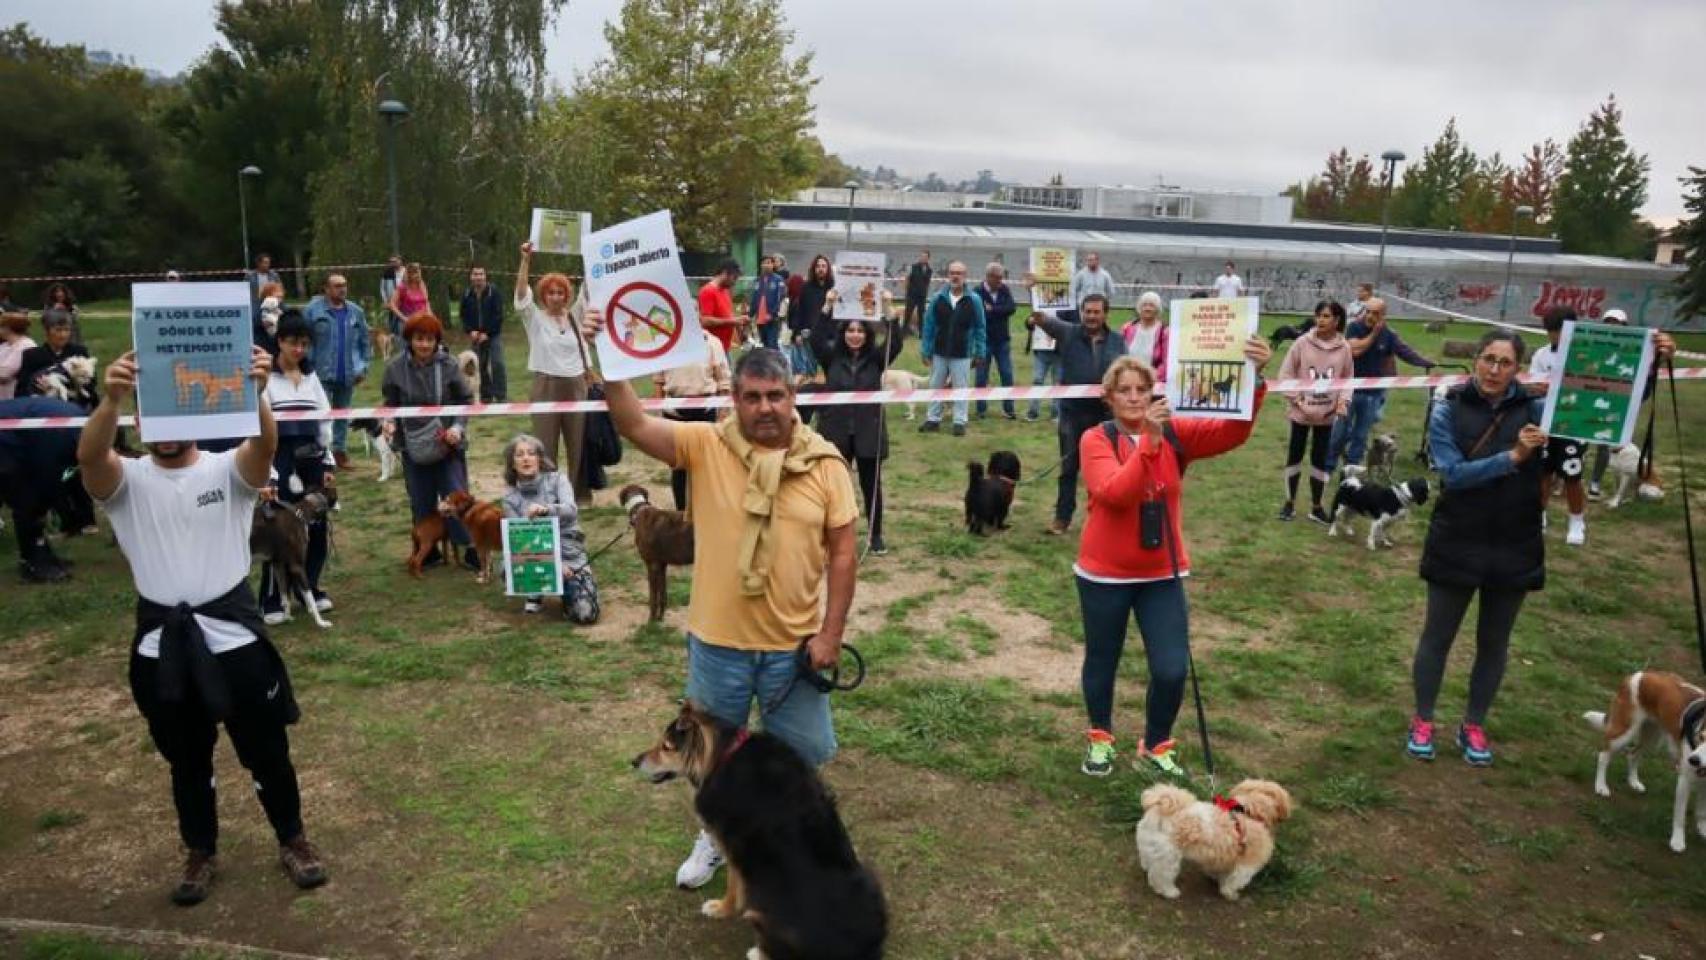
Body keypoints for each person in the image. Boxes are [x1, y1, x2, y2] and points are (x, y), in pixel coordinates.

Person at [585, 319, 857, 890]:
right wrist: (607, 353)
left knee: (802, 755)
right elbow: (631, 421)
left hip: (795, 647)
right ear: (733, 400)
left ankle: (792, 841)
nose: (765, 408)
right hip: (718, 645)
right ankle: (715, 837)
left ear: (793, 397)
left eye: (775, 396)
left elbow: (842, 555)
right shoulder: (706, 445)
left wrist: (830, 634)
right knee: (709, 758)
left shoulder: (827, 464)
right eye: (752, 397)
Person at [76, 344, 329, 906]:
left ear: (195, 420)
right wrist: (111, 398)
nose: (165, 432)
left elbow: (264, 446)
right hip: (162, 646)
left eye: (176, 418)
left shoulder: (226, 469)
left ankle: (294, 839)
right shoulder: (127, 480)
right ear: (140, 424)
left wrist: (259, 393)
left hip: (234, 639)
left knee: (266, 749)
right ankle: (200, 850)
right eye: (151, 417)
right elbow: (90, 457)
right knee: (187, 758)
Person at [1075, 345, 1271, 777]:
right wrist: (1149, 441)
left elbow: (1232, 433)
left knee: (1171, 667)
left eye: (1142, 389)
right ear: (1109, 397)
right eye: (1123, 390)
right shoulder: (1096, 439)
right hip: (1104, 573)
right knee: (1102, 659)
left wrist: (1252, 379)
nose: (1133, 397)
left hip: (1162, 572)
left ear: (1153, 393)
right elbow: (1114, 493)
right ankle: (1100, 738)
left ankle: (1157, 743)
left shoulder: (1176, 432)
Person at [382, 312, 480, 572]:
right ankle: (429, 551)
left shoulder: (449, 365)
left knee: (457, 496)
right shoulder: (394, 369)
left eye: (430, 339)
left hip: (448, 445)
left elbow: (466, 401)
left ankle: (470, 548)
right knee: (420, 498)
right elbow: (389, 405)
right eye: (419, 339)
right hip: (412, 446)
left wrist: (458, 427)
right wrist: (389, 422)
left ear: (437, 341)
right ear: (409, 340)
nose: (424, 345)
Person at [1025, 293, 1126, 535]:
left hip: (1105, 416)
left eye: (1096, 312)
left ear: (1105, 314)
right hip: (1072, 414)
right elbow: (1041, 317)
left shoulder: (1118, 341)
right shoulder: (1068, 332)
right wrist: (1034, 296)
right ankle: (1062, 518)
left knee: (1105, 470)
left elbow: (1125, 371)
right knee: (1069, 469)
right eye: (1087, 311)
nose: (1091, 316)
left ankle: (1101, 518)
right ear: (1082, 312)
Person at [259, 310, 336, 623]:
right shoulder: (266, 379)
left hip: (311, 459)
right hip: (279, 458)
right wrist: (268, 471)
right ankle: (273, 598)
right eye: (293, 342)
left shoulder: (312, 377)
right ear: (280, 342)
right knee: (277, 530)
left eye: (305, 343)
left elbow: (326, 418)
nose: (299, 349)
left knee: (314, 527)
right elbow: (261, 425)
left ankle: (310, 588)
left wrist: (327, 460)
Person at [812, 316, 906, 555]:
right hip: (836, 430)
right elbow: (815, 339)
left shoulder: (876, 360)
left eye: (860, 331)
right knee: (832, 488)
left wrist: (889, 315)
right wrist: (826, 309)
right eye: (850, 330)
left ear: (867, 335)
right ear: (843, 333)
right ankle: (831, 533)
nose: (855, 335)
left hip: (867, 430)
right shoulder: (831, 357)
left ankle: (875, 535)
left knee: (871, 485)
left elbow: (895, 343)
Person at [514, 241, 594, 498]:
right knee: (545, 444)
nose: (556, 297)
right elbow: (521, 295)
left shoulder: (576, 315)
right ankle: (548, 493)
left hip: (577, 384)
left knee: (577, 443)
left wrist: (589, 256)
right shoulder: (535, 318)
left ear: (566, 295)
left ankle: (577, 494)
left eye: (561, 292)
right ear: (544, 295)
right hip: (546, 385)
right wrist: (526, 260)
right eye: (551, 292)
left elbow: (589, 287)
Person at [1326, 297, 1435, 474]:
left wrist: (1425, 362)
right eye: (1367, 311)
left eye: (1375, 313)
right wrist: (1374, 334)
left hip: (1373, 393)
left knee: (1361, 436)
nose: (1369, 316)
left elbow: (1404, 351)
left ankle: (1351, 470)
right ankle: (1327, 467)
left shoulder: (1389, 334)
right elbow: (1355, 349)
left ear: (1383, 315)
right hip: (1348, 391)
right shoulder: (1354, 327)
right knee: (1339, 433)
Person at [499, 433, 600, 622]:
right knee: (507, 568)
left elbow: (571, 511)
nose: (526, 458)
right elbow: (520, 539)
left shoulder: (558, 480)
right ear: (512, 463)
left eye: (531, 453)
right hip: (533, 556)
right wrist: (552, 565)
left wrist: (545, 510)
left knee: (585, 615)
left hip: (568, 551)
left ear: (540, 458)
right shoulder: (509, 498)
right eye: (519, 455)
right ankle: (535, 591)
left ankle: (571, 588)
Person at [16, 312, 98, 535]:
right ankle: (66, 520)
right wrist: (38, 388)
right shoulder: (32, 355)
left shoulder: (79, 353)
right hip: (46, 424)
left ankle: (87, 519)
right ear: (47, 331)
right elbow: (22, 388)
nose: (63, 334)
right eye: (57, 330)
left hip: (75, 417)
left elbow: (91, 386)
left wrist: (78, 390)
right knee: (56, 472)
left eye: (66, 330)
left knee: (77, 469)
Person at [1277, 301, 1351, 523]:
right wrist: (1297, 399)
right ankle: (1289, 504)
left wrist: (1343, 402)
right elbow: (1285, 375)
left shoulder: (1344, 348)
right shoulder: (1301, 343)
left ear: (1337, 320)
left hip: (1326, 416)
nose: (1321, 320)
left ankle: (1317, 507)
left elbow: (1348, 379)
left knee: (1319, 460)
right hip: (1300, 412)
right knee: (1295, 456)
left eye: (1326, 316)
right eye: (1318, 315)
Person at [0, 396, 82, 582]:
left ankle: (42, 553)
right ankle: (33, 563)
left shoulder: (78, 423)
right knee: (27, 501)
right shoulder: (64, 435)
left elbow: (67, 470)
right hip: (5, 442)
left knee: (35, 499)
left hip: (20, 436)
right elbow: (49, 473)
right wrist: (52, 498)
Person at [653, 329, 732, 510]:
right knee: (678, 466)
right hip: (674, 411)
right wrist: (658, 410)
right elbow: (658, 379)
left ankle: (707, 510)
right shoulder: (665, 342)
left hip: (705, 409)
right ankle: (681, 512)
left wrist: (724, 411)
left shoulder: (712, 343)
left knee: (706, 465)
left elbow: (723, 378)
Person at [1528, 306, 1588, 545]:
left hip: (1573, 423)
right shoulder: (1542, 355)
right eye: (1551, 331)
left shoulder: (1584, 354)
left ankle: (1576, 520)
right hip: (1544, 421)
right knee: (1543, 471)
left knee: (1572, 474)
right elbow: (1533, 383)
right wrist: (1537, 387)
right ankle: (1539, 515)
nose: (1554, 336)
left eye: (1558, 331)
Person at [304, 273, 371, 468]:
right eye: (336, 286)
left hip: (348, 373)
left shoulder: (356, 312)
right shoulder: (312, 311)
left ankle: (340, 451)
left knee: (342, 414)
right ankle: (320, 454)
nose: (342, 289)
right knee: (322, 414)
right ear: (326, 289)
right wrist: (308, 366)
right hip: (320, 372)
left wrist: (363, 366)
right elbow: (305, 340)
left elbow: (364, 342)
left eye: (344, 285)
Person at [918, 261, 987, 436]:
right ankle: (933, 419)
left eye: (959, 273)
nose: (955, 276)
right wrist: (926, 350)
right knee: (935, 385)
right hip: (939, 351)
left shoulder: (975, 300)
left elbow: (980, 327)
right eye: (952, 273)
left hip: (962, 352)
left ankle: (959, 421)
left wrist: (980, 352)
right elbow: (929, 326)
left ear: (965, 276)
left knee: (961, 387)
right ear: (948, 275)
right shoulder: (937, 298)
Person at [974, 263, 1018, 420]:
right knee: (981, 376)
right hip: (984, 340)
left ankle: (1009, 409)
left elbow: (1012, 308)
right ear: (989, 277)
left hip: (1002, 341)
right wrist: (999, 310)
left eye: (1002, 278)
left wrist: (993, 309)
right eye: (998, 278)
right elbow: (979, 313)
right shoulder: (977, 292)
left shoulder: (1004, 289)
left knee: (1007, 374)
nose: (1001, 281)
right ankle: (981, 409)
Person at [460, 266, 508, 403]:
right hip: (475, 336)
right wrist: (470, 331)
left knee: (497, 363)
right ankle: (486, 395)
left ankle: (501, 396)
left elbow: (498, 315)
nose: (478, 277)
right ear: (471, 276)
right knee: (479, 365)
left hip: (493, 335)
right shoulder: (466, 293)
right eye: (475, 274)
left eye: (481, 274)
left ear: (485, 276)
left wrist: (487, 333)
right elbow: (463, 316)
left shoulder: (494, 292)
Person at [788, 254, 835, 378]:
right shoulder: (805, 288)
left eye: (823, 266)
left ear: (828, 269)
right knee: (809, 372)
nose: (820, 269)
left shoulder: (834, 289)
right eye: (818, 266)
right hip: (809, 335)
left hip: (830, 336)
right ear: (813, 269)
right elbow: (800, 312)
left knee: (831, 369)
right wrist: (797, 333)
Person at [1025, 295, 1063, 423]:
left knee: (1057, 382)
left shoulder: (1065, 306)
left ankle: (1056, 413)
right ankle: (1033, 412)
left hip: (1059, 349)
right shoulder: (1038, 303)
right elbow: (1029, 324)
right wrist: (1029, 321)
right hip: (1041, 348)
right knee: (1037, 380)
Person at [698, 259, 743, 355]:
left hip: (724, 346)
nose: (735, 282)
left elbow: (727, 315)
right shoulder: (708, 291)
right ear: (725, 273)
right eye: (734, 278)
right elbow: (705, 321)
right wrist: (734, 321)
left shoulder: (725, 291)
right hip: (713, 349)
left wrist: (738, 321)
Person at [1122, 291, 1170, 377]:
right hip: (1128, 378)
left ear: (1158, 309)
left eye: (1152, 305)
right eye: (1144, 305)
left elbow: (1167, 362)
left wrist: (1151, 376)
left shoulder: (1165, 332)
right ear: (1140, 308)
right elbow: (1119, 355)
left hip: (1152, 380)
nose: (1147, 308)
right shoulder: (1127, 328)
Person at [750, 254, 787, 351]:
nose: (767, 265)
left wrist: (772, 314)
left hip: (772, 319)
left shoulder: (778, 279)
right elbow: (754, 299)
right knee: (764, 345)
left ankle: (776, 364)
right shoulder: (757, 281)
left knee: (772, 345)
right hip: (759, 319)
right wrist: (750, 314)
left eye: (769, 263)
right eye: (764, 263)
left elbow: (781, 298)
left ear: (773, 265)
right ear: (761, 265)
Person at [386, 262, 431, 334]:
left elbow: (426, 301)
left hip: (422, 321)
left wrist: (430, 315)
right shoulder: (402, 287)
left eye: (419, 272)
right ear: (409, 274)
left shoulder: (421, 284)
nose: (418, 275)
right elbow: (392, 305)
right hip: (408, 322)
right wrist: (404, 318)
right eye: (415, 273)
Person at [0, 311, 36, 400]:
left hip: (14, 398)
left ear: (8, 328)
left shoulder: (26, 345)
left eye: (1, 326)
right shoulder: (4, 346)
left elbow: (4, 374)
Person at [904, 250, 933, 335]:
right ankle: (904, 332)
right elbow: (907, 279)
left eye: (925, 257)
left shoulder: (929, 270)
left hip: (922, 296)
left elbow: (927, 283)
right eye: (922, 256)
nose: (923, 258)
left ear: (928, 258)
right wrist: (906, 292)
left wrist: (925, 292)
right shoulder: (912, 267)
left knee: (921, 314)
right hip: (911, 295)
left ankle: (921, 333)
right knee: (908, 313)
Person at [379, 255, 405, 335]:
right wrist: (386, 301)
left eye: (395, 261)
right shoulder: (387, 273)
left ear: (400, 261)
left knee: (401, 322)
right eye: (391, 262)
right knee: (391, 323)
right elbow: (382, 288)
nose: (393, 263)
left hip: (404, 302)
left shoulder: (406, 272)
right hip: (391, 302)